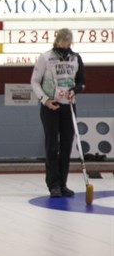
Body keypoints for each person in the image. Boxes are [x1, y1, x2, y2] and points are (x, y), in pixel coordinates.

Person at [30, 28, 86, 198]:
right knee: (52, 146)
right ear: (57, 40)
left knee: (67, 146)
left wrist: (74, 91)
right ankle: (53, 184)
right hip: (50, 107)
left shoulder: (76, 58)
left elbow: (81, 82)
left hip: (68, 106)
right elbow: (34, 81)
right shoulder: (45, 57)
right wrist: (45, 100)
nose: (65, 45)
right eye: (62, 42)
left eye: (68, 43)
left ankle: (63, 183)